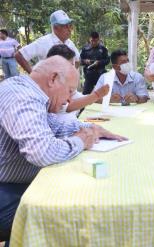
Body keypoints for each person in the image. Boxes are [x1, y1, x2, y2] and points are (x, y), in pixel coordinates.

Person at [0, 56, 126, 243]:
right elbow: (42, 151)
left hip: (13, 183)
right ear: (52, 79)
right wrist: (81, 141)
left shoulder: (31, 93)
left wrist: (91, 129)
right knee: (63, 213)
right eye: (69, 91)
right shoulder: (22, 97)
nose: (68, 100)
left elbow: (54, 127)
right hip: (6, 189)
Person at [46, 44, 109, 122]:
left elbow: (79, 97)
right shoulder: (50, 83)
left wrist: (108, 99)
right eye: (71, 64)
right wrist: (96, 95)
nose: (73, 68)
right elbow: (68, 107)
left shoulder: (64, 80)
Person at [15, 10, 80, 73]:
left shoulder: (70, 43)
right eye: (65, 26)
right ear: (55, 27)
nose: (69, 30)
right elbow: (19, 55)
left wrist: (72, 73)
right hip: (47, 83)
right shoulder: (43, 42)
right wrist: (33, 75)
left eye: (69, 26)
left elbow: (77, 60)